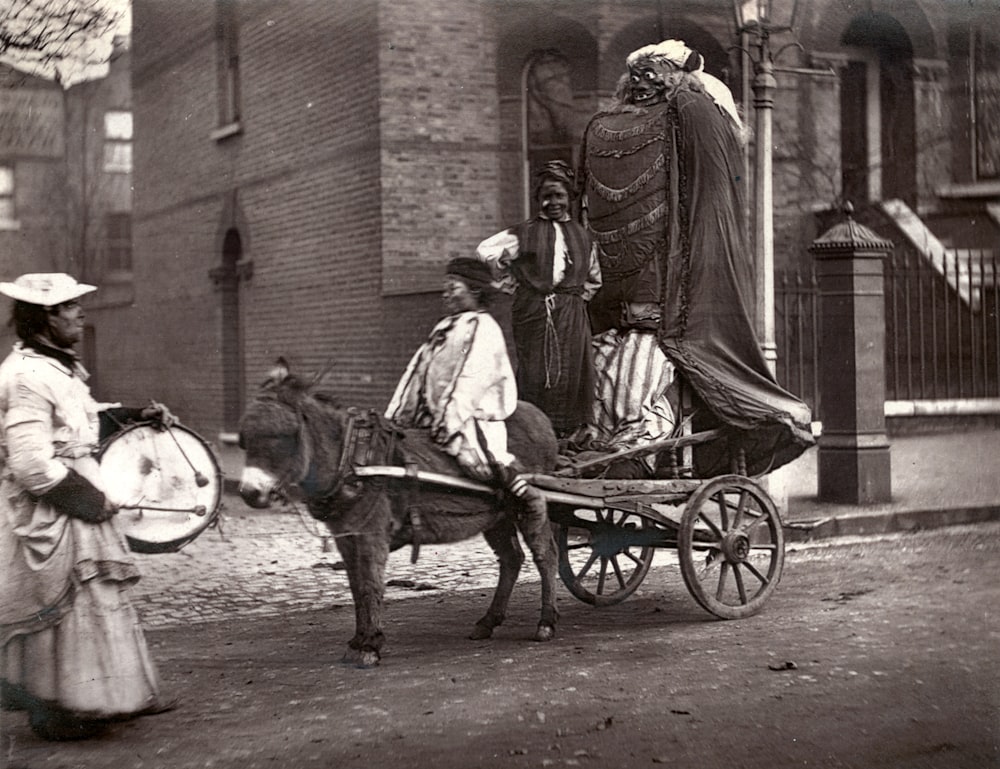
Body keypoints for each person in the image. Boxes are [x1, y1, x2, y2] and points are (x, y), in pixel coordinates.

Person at [579, 39, 814, 477]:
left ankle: (640, 443)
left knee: (640, 372)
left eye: (652, 77)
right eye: (636, 78)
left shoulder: (692, 109)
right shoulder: (620, 123)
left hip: (667, 293)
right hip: (625, 298)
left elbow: (703, 198)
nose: (641, 86)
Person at [0, 273, 176, 741]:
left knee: (93, 599)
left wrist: (135, 415)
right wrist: (87, 500)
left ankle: (99, 698)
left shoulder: (55, 367)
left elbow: (78, 423)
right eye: (70, 307)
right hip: (53, 508)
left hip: (76, 498)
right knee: (67, 605)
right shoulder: (25, 376)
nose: (81, 313)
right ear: (44, 318)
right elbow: (30, 463)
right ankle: (62, 707)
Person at [385, 257, 546, 512]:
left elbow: (468, 383)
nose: (445, 293)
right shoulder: (445, 327)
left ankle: (530, 502)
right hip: (436, 421)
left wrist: (446, 427)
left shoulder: (483, 329)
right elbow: (415, 374)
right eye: (445, 286)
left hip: (470, 423)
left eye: (453, 286)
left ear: (475, 290)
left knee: (483, 464)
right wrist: (395, 417)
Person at [475, 161, 602, 439]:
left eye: (559, 195)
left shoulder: (583, 237)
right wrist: (514, 281)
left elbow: (593, 278)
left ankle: (566, 437)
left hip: (571, 312)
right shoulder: (524, 232)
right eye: (547, 195)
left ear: (570, 197)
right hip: (533, 310)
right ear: (538, 198)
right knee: (536, 371)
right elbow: (486, 251)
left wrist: (572, 299)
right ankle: (532, 434)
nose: (553, 202)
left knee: (571, 372)